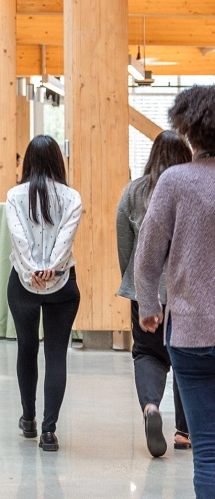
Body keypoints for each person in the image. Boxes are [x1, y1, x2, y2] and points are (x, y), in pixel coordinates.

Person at [136, 85, 215, 497]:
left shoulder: (174, 181)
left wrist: (148, 305)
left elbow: (147, 254)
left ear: (189, 131)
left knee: (208, 450)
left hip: (190, 333)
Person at [116, 130, 191, 457]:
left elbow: (124, 245)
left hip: (145, 294)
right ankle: (184, 433)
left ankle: (151, 408)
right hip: (186, 292)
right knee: (187, 355)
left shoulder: (134, 192)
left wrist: (135, 284)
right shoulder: (194, 190)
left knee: (148, 354)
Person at [5, 135, 81, 452]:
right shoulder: (72, 197)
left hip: (24, 284)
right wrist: (50, 268)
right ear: (58, 162)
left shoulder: (14, 195)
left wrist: (32, 271)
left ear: (28, 163)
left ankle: (29, 419)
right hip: (62, 283)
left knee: (26, 349)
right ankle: (49, 432)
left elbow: (19, 238)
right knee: (56, 355)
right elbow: (66, 238)